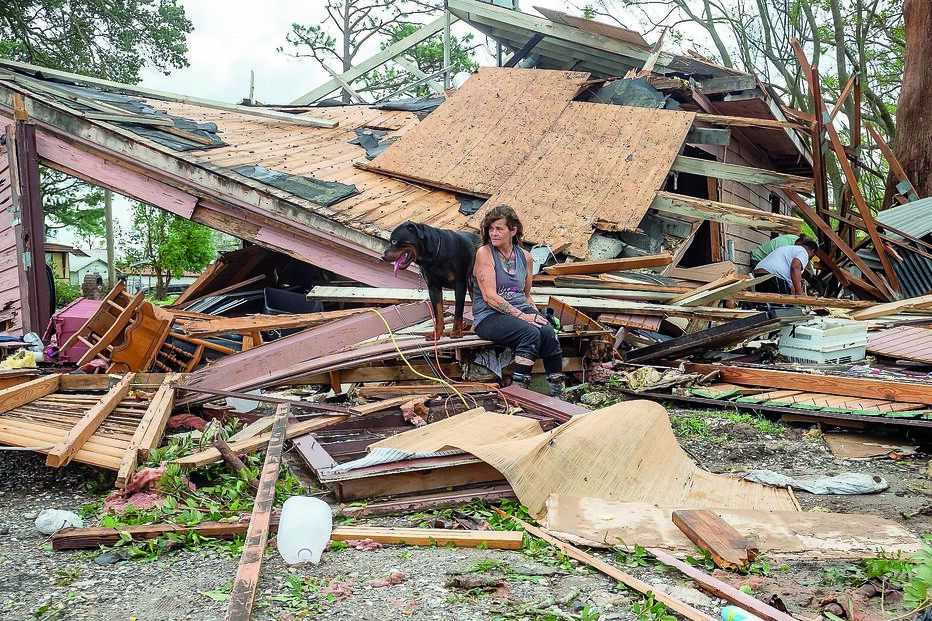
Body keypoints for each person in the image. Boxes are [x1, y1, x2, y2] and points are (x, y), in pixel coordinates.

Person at [471, 205, 564, 396]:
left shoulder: (526, 257)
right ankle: (520, 392)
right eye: (490, 229)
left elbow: (526, 295)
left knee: (548, 332)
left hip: (520, 310)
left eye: (499, 229)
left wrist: (537, 315)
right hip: (489, 316)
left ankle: (558, 391)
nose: (493, 233)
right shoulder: (485, 253)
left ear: (513, 230)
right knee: (529, 333)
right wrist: (522, 316)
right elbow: (490, 296)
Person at [754, 237, 818, 296]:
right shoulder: (804, 252)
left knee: (767, 306)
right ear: (812, 251)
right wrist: (799, 293)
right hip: (771, 277)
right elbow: (795, 267)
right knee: (786, 306)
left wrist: (791, 285)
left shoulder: (791, 249)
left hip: (757, 275)